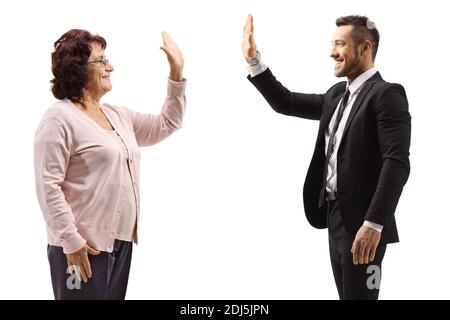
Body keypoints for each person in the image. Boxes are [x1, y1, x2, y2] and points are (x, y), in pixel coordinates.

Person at [241, 14, 410, 299]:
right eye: (332, 44)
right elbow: (285, 101)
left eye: (340, 44)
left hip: (364, 224)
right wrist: (254, 60)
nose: (332, 52)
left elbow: (397, 163)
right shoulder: (335, 96)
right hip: (334, 218)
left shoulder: (386, 94)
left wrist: (374, 224)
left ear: (365, 48)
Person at [34, 29, 186, 299]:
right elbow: (48, 185)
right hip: (82, 248)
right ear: (78, 69)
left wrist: (176, 73)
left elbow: (167, 124)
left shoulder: (118, 115)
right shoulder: (58, 118)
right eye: (101, 61)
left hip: (120, 243)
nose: (110, 66)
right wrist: (71, 242)